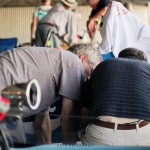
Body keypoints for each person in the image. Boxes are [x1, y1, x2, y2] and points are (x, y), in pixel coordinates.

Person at [0, 43, 101, 144]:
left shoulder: (53, 66)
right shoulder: (75, 63)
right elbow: (67, 120)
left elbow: (42, 122)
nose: (89, 79)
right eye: (91, 71)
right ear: (83, 57)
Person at [79, 47, 150, 146]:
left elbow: (85, 109)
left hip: (101, 133)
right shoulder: (147, 68)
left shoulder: (103, 65)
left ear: (119, 58)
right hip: (141, 135)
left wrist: (81, 133)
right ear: (143, 61)